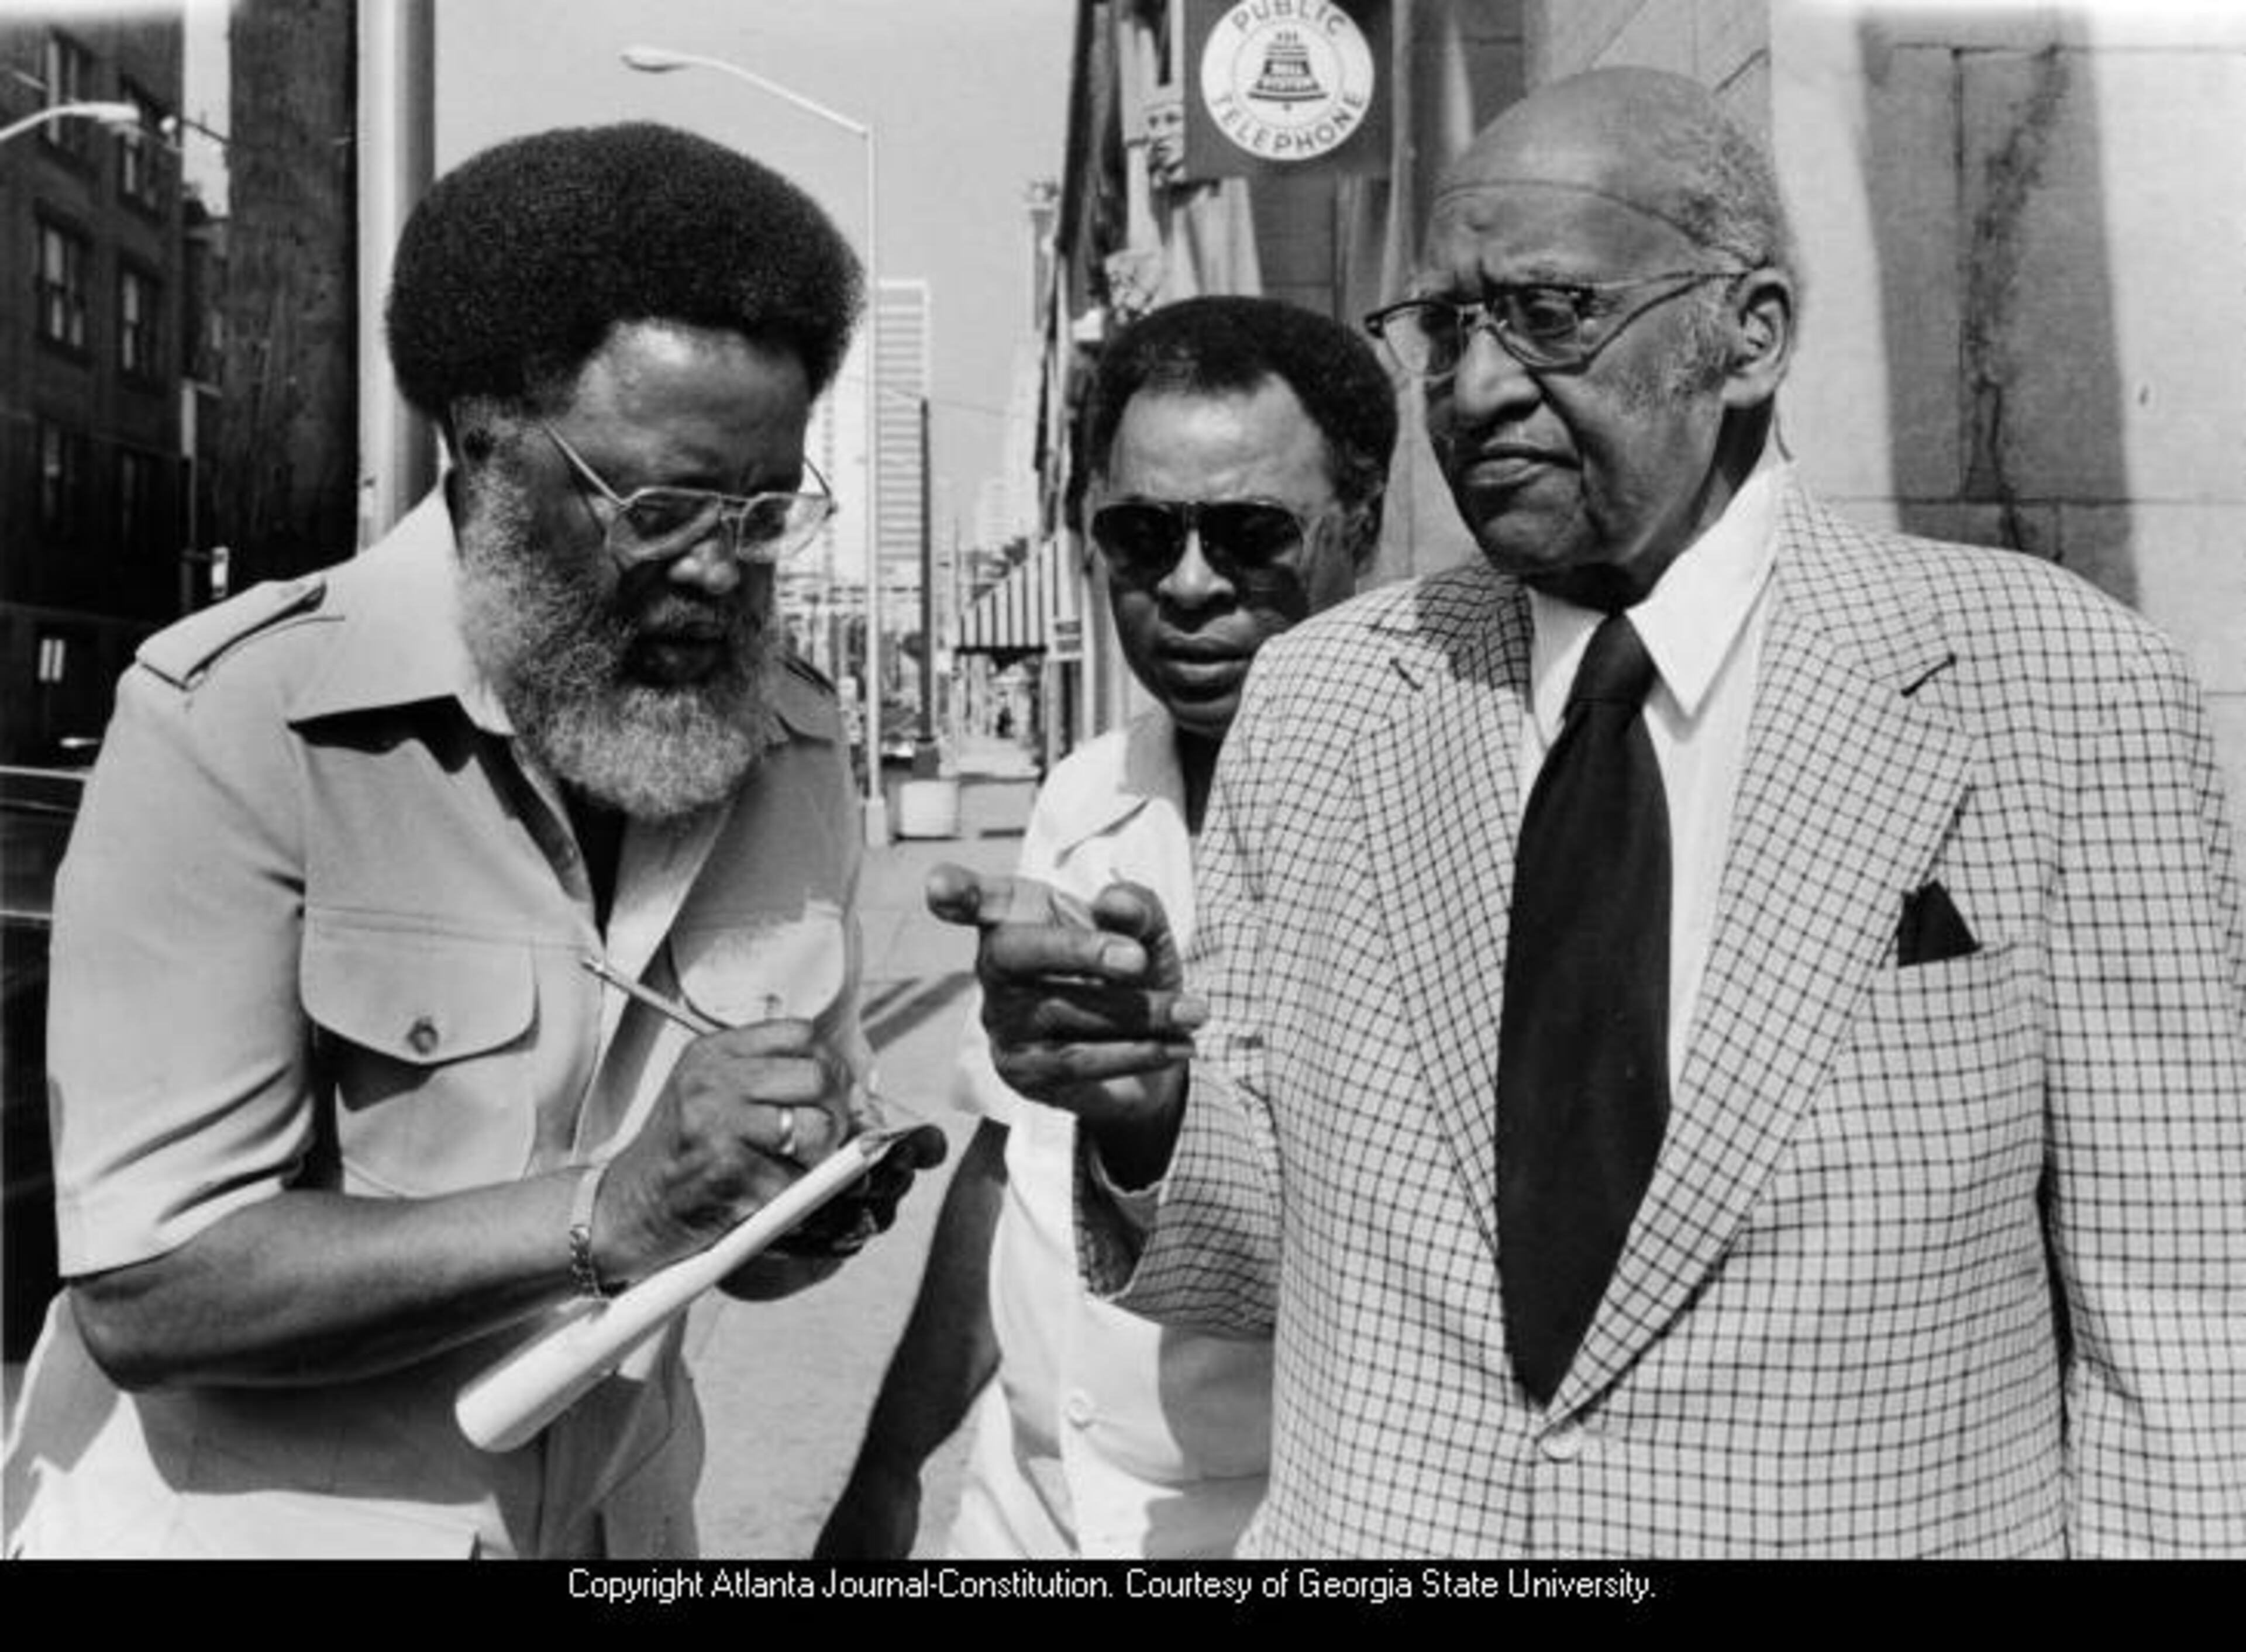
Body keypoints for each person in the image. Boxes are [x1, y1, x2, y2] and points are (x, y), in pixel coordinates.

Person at [935, 67, 2246, 1556]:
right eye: (1444, 326)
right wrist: (1148, 1112)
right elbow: (1266, 1266)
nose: (1477, 387)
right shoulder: (1324, 704)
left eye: (1550, 315)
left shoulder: (2057, 694)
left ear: (1749, 336)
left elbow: (2189, 1315)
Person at [3, 123, 943, 1560]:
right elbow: (151, 1292)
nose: (716, 567)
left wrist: (786, 1209)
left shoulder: (796, 745)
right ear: (485, 445)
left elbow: (722, 1244)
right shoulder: (240, 722)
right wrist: (610, 1211)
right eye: (660, 505)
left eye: (764, 513)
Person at [817, 296, 1397, 1560]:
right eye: (1142, 534)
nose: (1189, 587)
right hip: (1022, 1515)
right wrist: (887, 1470)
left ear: (1359, 526)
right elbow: (1013, 1168)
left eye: (1250, 534)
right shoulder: (1085, 795)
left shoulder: (1458, 814)